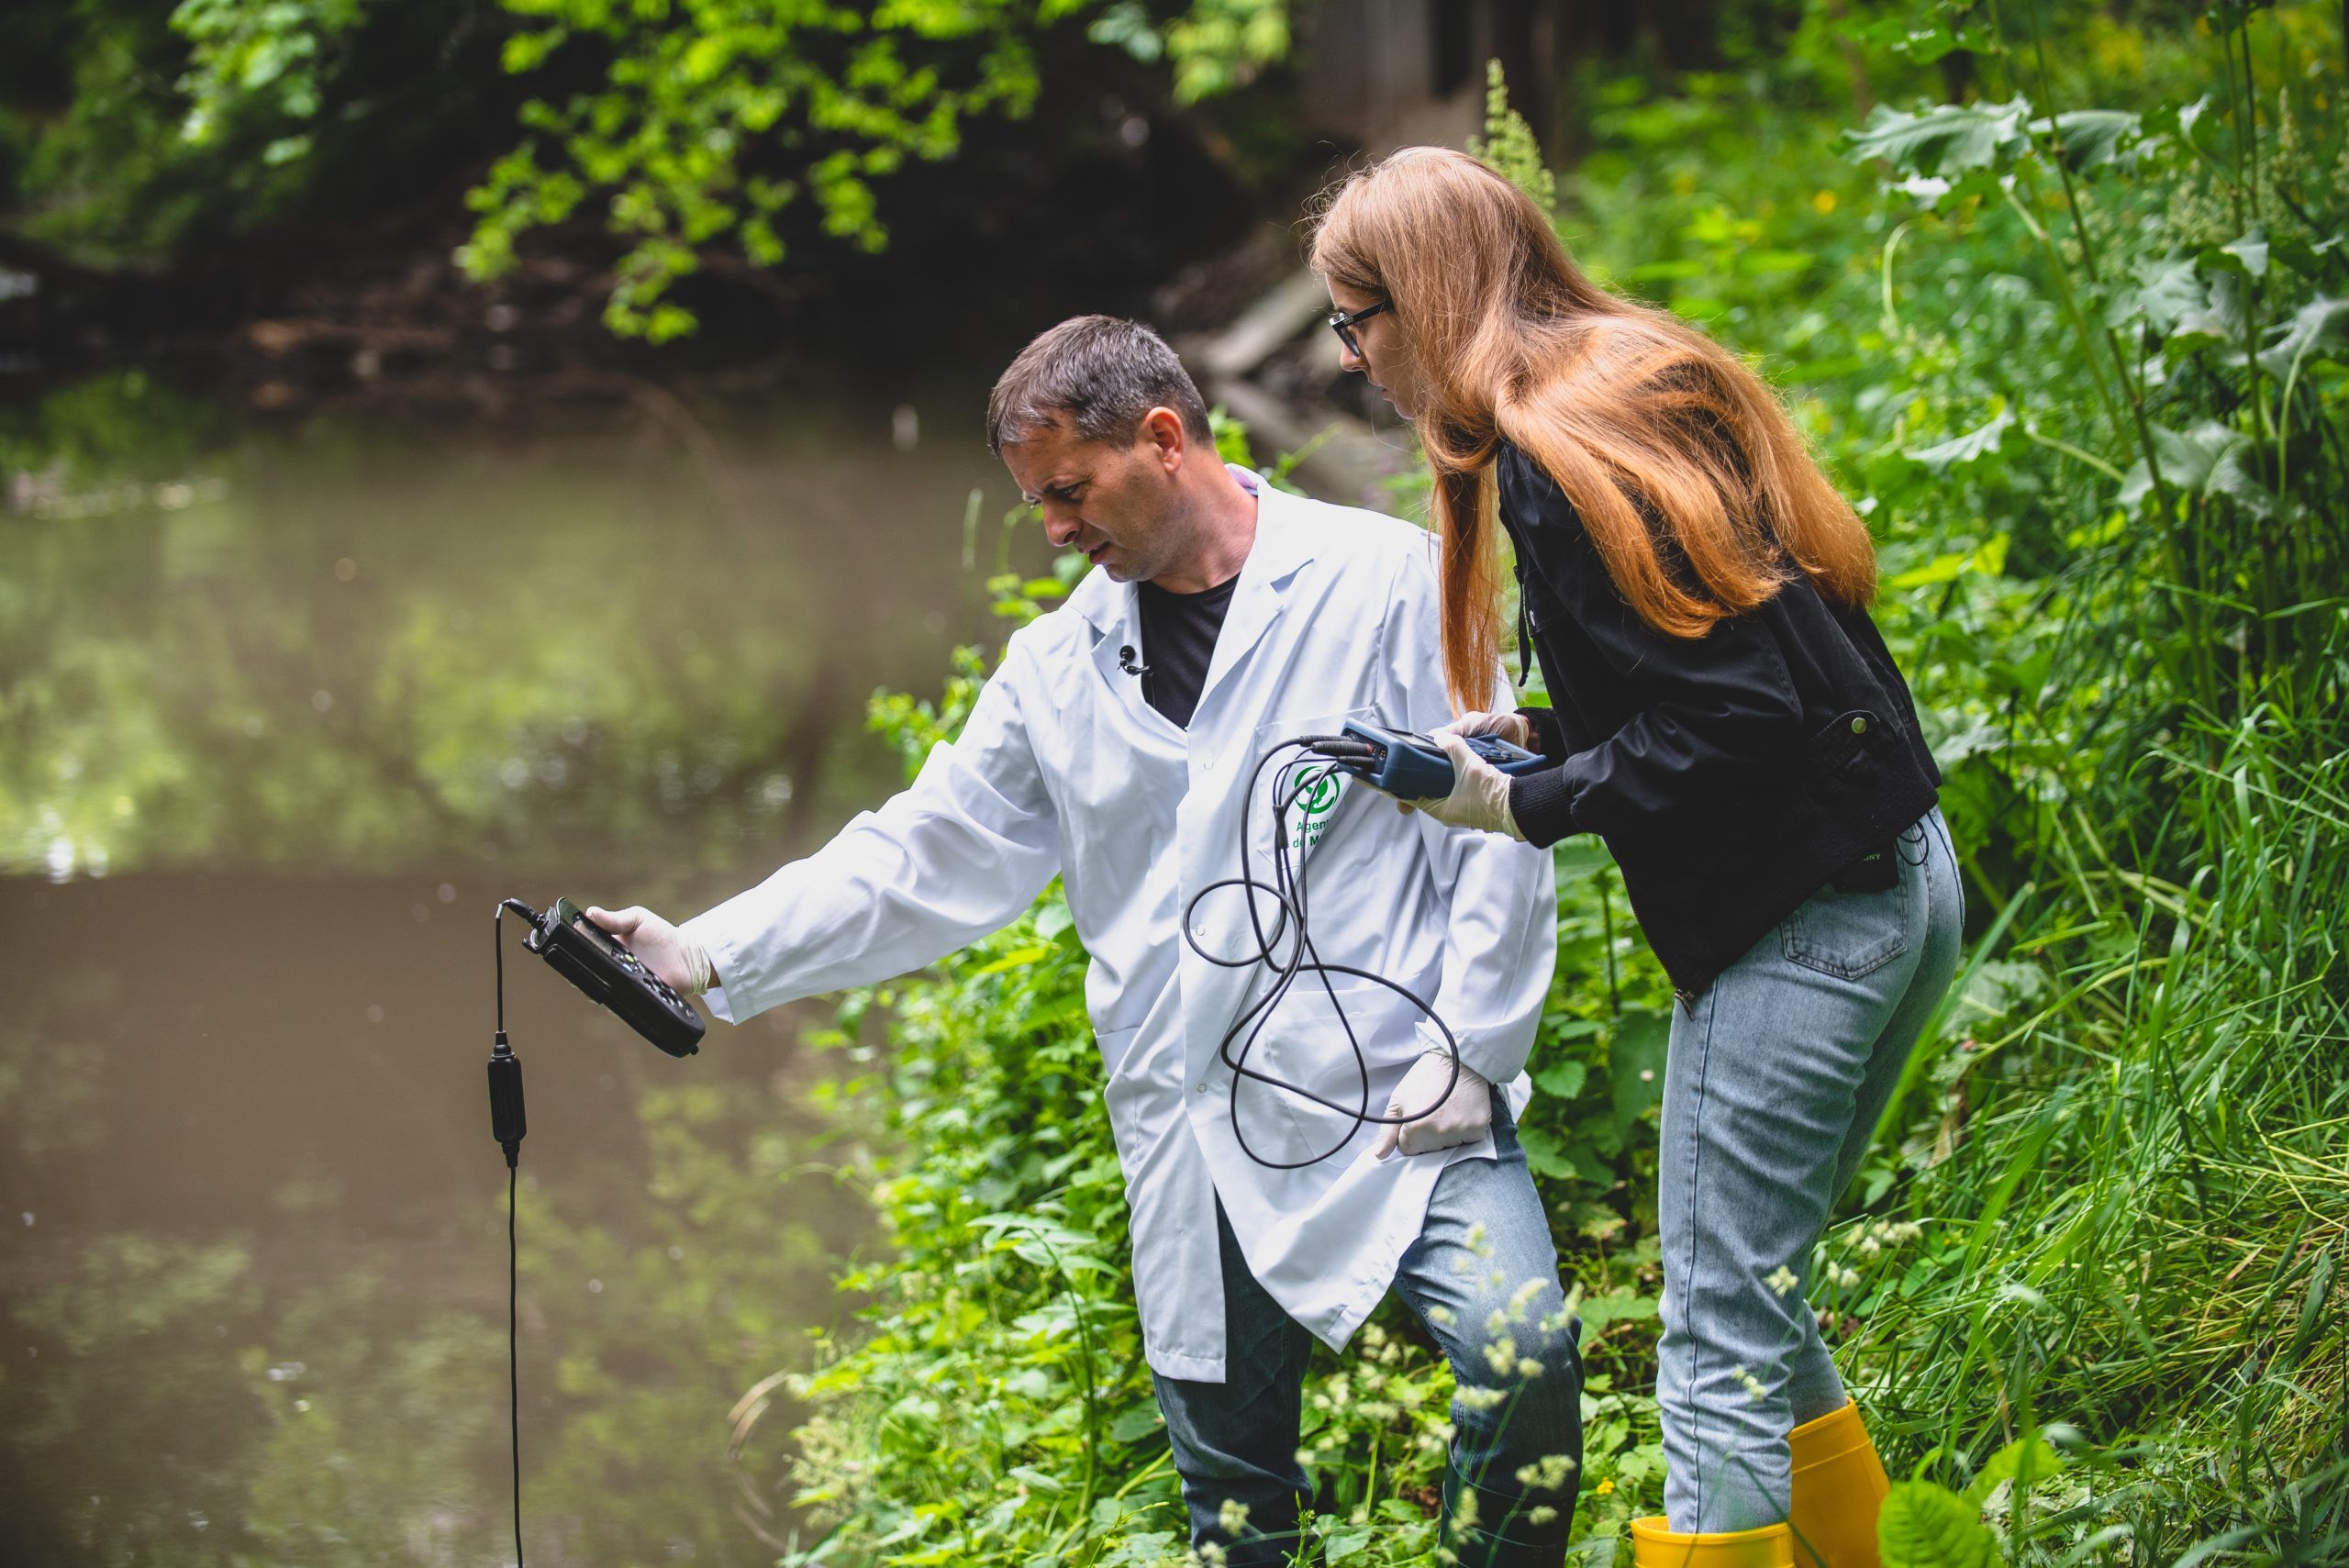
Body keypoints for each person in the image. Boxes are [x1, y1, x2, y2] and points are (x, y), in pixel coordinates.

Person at [585, 317, 1584, 1566]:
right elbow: (920, 854)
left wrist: (1476, 1054)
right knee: (1236, 1511)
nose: (1053, 528)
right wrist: (704, 952)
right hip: (1196, 1125)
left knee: (1524, 1351)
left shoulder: (1390, 579)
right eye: (1034, 500)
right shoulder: (1059, 668)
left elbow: (1501, 816)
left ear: (1164, 438)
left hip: (1407, 1087)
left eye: (1068, 489)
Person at [1308, 149, 1964, 1568]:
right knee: (1761, 1291)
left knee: (1716, 1329)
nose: (1354, 361)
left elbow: (1738, 717)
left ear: (1415, 304)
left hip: (1806, 925)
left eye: (1354, 323)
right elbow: (1741, 655)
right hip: (1905, 870)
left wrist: (1513, 806)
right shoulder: (1626, 366)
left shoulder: (1546, 449)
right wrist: (1536, 731)